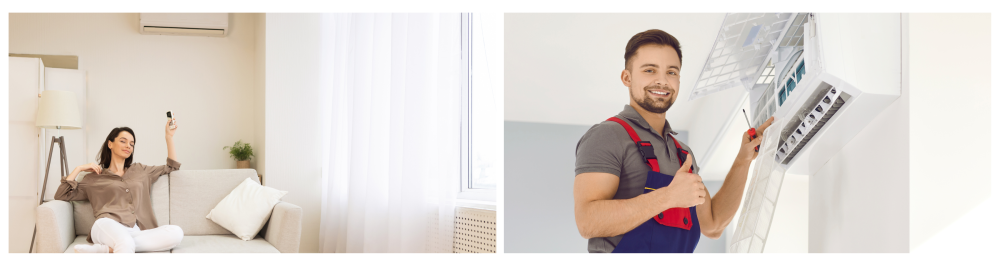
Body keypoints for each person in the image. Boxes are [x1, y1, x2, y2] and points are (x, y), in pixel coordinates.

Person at [573, 29, 774, 253]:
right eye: (650, 70)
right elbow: (587, 222)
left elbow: (713, 224)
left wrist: (743, 160)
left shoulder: (683, 154)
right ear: (627, 78)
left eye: (671, 72)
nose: (662, 81)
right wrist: (668, 197)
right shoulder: (608, 135)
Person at [55, 118, 184, 253]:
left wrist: (169, 137)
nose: (128, 146)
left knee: (176, 232)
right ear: (110, 144)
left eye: (132, 144)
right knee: (125, 241)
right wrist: (79, 168)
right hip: (106, 225)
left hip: (136, 230)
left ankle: (105, 249)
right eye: (123, 141)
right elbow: (62, 194)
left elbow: (172, 167)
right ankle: (117, 246)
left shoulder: (141, 170)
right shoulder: (93, 178)